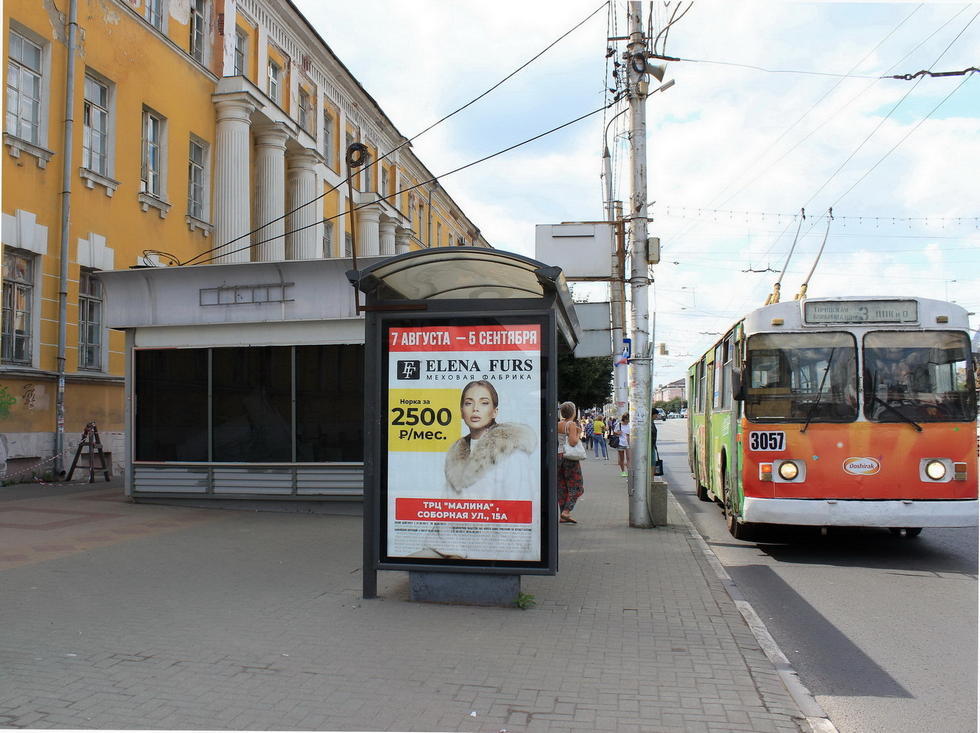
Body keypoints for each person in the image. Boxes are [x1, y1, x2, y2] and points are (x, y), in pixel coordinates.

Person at [444, 380, 536, 498]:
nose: (475, 409)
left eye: (484, 403)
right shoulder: (454, 457)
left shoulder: (511, 453)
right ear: (462, 411)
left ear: (494, 412)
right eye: (468, 403)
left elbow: (520, 504)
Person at [557, 401, 584, 524]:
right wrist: (578, 433)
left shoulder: (558, 424)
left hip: (558, 456)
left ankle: (562, 514)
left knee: (562, 486)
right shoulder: (571, 424)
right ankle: (567, 511)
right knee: (576, 486)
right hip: (569, 457)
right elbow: (573, 442)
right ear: (573, 412)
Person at [614, 412, 631, 477]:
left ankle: (629, 471)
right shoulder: (619, 425)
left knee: (629, 458)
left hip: (628, 443)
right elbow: (614, 432)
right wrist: (618, 433)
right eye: (626, 419)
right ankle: (623, 471)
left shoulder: (630, 425)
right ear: (624, 419)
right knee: (622, 459)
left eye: (628, 419)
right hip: (620, 443)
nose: (627, 421)